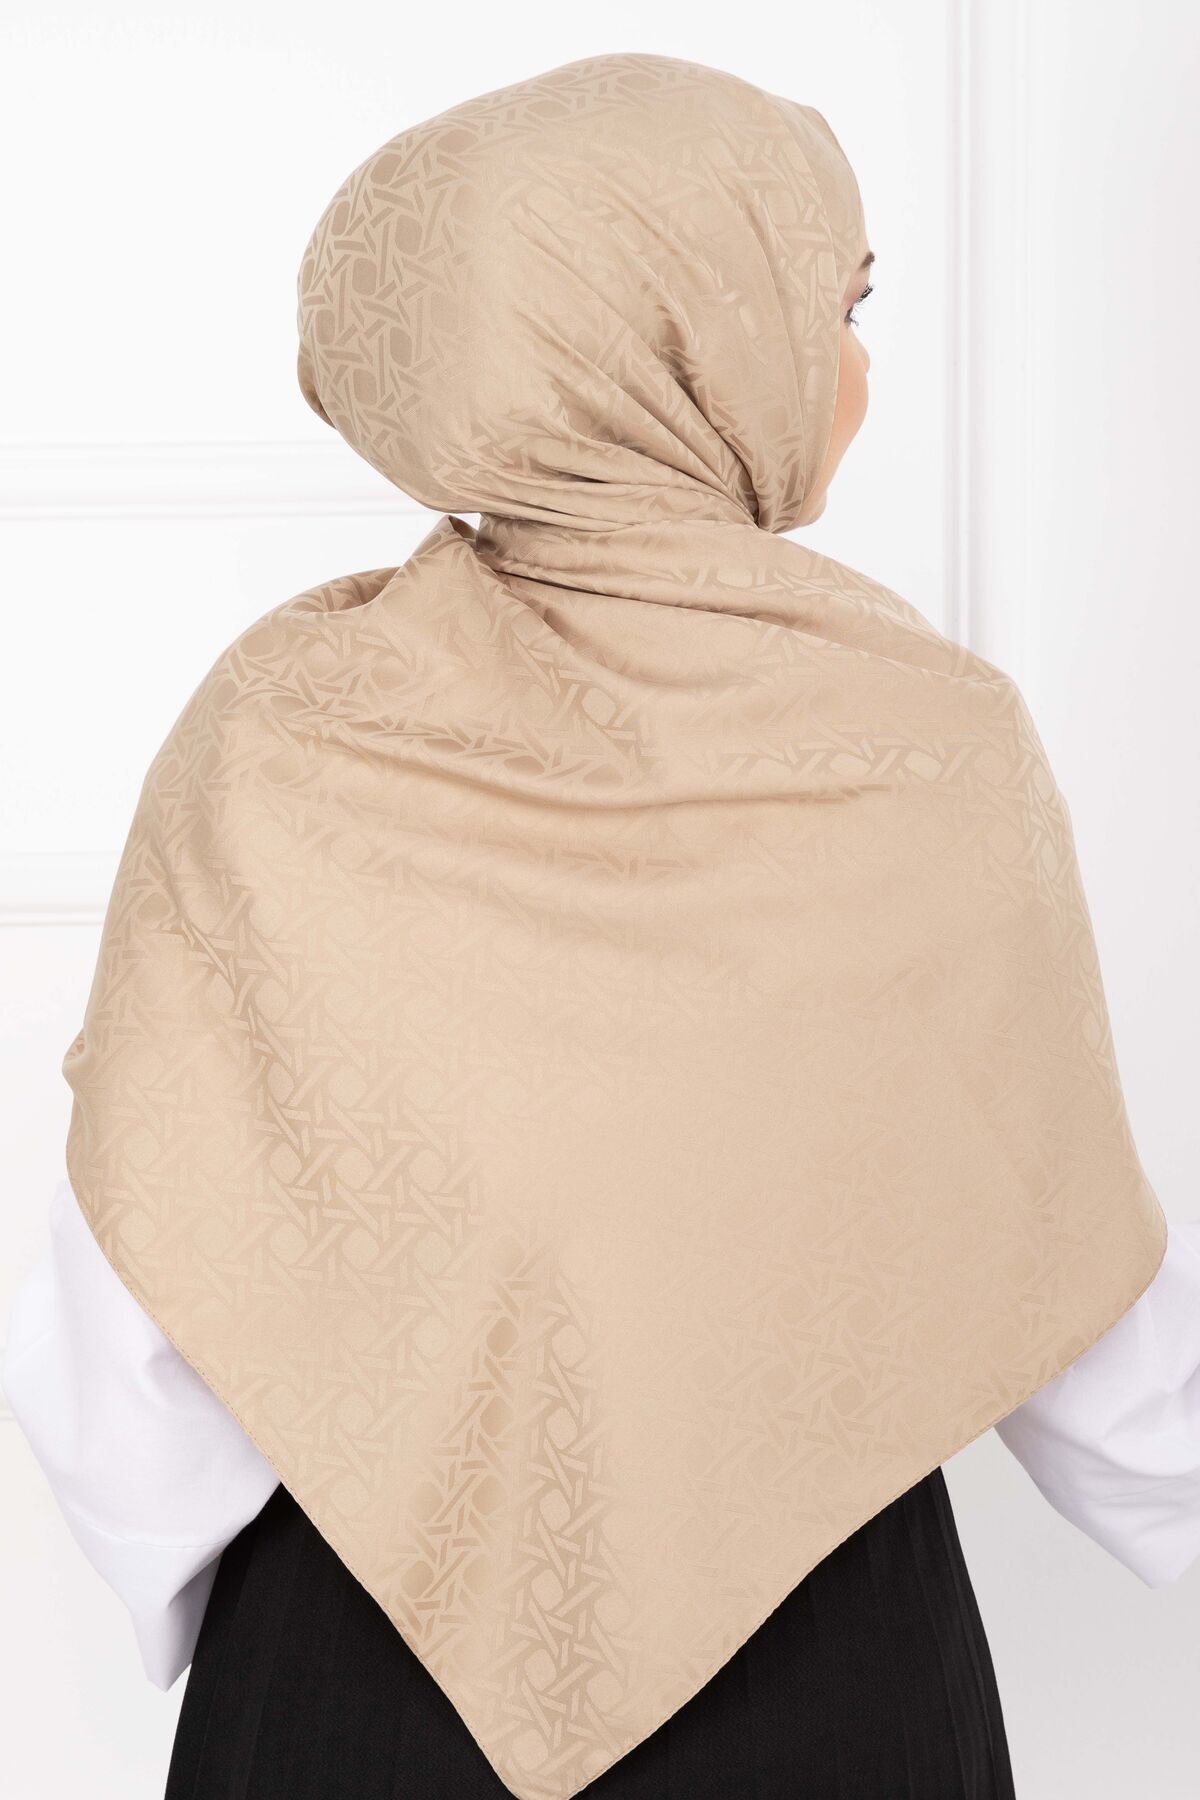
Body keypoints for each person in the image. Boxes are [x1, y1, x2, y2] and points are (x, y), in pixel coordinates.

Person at [5, 50, 1199, 1800]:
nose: (859, 371)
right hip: (834, 1684)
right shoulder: (924, 751)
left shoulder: (283, 735)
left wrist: (263, 1594)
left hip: (343, 1673)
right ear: (681, 345)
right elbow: (1068, 1282)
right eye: (839, 309)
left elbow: (133, 1312)